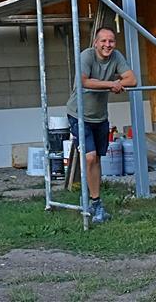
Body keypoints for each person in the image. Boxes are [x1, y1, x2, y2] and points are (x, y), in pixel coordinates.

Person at [65, 26, 137, 224]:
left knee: (96, 159)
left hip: (99, 117)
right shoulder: (86, 56)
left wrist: (118, 82)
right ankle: (90, 200)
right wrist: (112, 84)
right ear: (96, 43)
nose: (108, 45)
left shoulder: (116, 57)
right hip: (79, 114)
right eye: (103, 41)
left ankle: (95, 201)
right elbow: (83, 81)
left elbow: (132, 79)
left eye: (111, 41)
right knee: (88, 158)